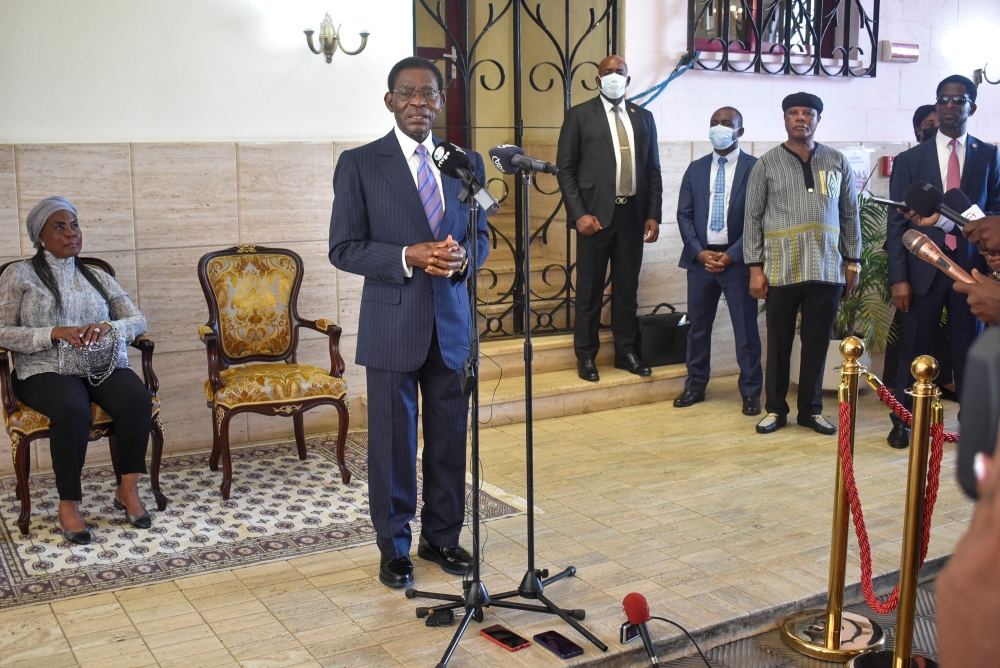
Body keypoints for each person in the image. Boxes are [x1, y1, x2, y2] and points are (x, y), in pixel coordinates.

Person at [328, 57, 489, 589]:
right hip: (392, 327)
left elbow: (480, 235)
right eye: (407, 93)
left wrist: (464, 259)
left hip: (451, 325)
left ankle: (442, 537)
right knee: (393, 445)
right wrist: (407, 256)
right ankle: (394, 546)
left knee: (448, 441)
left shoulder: (464, 163)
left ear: (441, 101)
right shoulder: (360, 164)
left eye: (429, 93)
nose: (419, 102)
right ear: (390, 101)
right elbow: (343, 247)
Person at [0, 197, 153, 545]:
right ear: (40, 236)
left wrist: (109, 327)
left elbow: (137, 319)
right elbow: (2, 331)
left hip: (99, 363)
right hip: (43, 368)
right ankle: (69, 503)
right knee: (72, 409)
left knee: (136, 399)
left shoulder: (96, 276)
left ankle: (127, 488)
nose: (71, 233)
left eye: (74, 225)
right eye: (60, 227)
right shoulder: (18, 275)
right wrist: (51, 333)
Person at [885, 74, 1000, 448]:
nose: (950, 106)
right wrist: (899, 278)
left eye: (958, 100)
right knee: (915, 347)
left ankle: (972, 422)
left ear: (972, 107)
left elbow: (995, 212)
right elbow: (896, 223)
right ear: (936, 104)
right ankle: (904, 420)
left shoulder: (990, 155)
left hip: (972, 272)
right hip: (922, 269)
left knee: (970, 350)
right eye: (943, 99)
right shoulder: (910, 159)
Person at [744, 92, 861, 436]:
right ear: (785, 119)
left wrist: (853, 262)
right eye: (793, 112)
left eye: (808, 113)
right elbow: (751, 219)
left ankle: (810, 411)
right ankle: (775, 409)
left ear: (817, 119)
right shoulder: (766, 164)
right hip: (781, 269)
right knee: (779, 343)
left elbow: (850, 215)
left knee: (817, 343)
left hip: (827, 268)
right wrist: (755, 268)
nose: (800, 118)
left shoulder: (837, 161)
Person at [556, 54, 663, 382]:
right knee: (588, 291)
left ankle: (626, 351)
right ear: (597, 79)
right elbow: (565, 170)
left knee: (627, 289)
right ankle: (586, 355)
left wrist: (653, 214)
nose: (613, 76)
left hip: (632, 216)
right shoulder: (579, 116)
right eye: (607, 72)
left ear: (628, 80)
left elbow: (653, 170)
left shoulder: (644, 117)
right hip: (594, 218)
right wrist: (579, 214)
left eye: (619, 72)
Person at [673, 107, 762, 415]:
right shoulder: (695, 168)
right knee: (697, 328)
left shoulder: (756, 169)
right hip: (700, 261)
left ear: (740, 131)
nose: (719, 128)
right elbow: (684, 215)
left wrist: (732, 255)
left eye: (726, 123)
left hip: (737, 262)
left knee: (745, 329)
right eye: (714, 123)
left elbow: (759, 219)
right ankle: (695, 385)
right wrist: (699, 252)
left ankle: (751, 391)